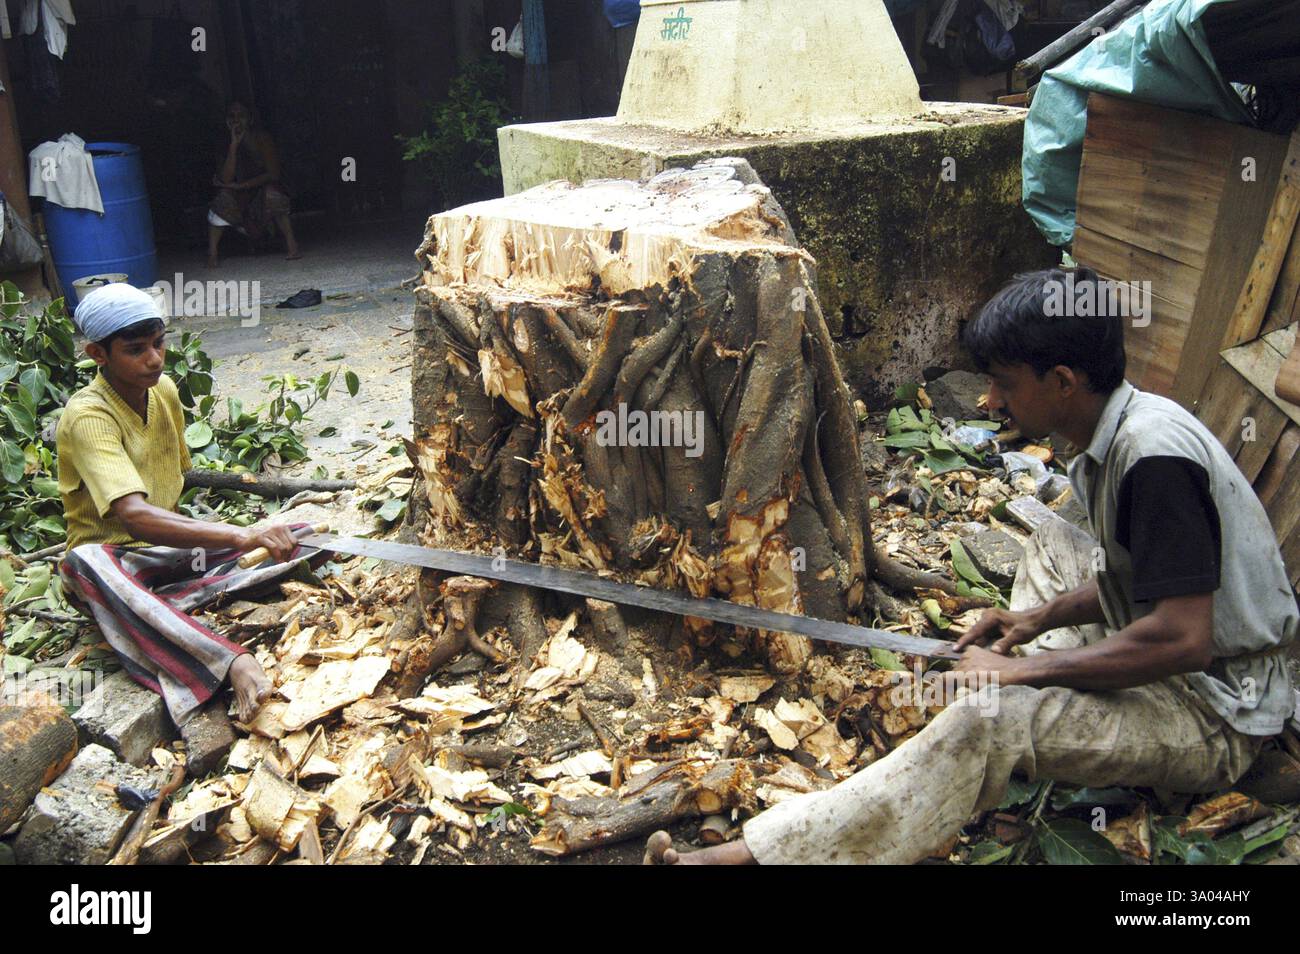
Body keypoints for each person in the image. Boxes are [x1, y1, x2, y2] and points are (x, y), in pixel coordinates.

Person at [644, 266, 1297, 864]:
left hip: (1215, 712)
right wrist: (1032, 619)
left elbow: (1184, 640)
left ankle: (752, 857)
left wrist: (1019, 675)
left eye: (1004, 384)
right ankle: (1026, 703)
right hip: (1183, 661)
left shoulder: (1154, 460)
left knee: (985, 718)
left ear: (1063, 382)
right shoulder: (1117, 431)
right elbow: (1133, 578)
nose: (987, 402)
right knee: (1050, 544)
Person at [56, 283, 317, 732]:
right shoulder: (88, 416)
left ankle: (161, 606)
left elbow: (173, 482)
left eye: (158, 344)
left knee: (303, 536)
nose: (154, 359)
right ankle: (225, 661)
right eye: (135, 350)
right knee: (83, 561)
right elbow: (135, 515)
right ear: (98, 354)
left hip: (164, 558)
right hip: (112, 565)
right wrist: (239, 536)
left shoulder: (165, 392)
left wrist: (232, 539)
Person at [206, 101, 300, 267]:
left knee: (274, 196)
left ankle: (292, 244)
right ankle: (212, 253)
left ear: (250, 119)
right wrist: (234, 145)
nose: (236, 120)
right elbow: (226, 179)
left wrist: (244, 185)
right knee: (222, 200)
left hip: (260, 189)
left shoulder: (262, 138)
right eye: (232, 116)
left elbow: (273, 173)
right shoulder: (223, 142)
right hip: (236, 193)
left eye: (241, 116)